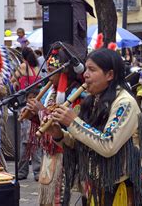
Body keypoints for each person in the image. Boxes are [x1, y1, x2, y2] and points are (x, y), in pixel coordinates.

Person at [47, 48, 142, 205]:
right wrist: (59, 134)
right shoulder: (92, 101)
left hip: (117, 189)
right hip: (95, 186)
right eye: (86, 69)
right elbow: (80, 143)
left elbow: (108, 144)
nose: (85, 74)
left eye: (92, 69)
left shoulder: (125, 103)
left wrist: (73, 122)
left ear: (110, 75)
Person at [25, 43, 84, 205]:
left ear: (64, 72)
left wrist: (41, 109)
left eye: (52, 72)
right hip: (50, 153)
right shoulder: (50, 91)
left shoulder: (77, 94)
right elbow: (45, 124)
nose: (48, 76)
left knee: (62, 196)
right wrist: (34, 115)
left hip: (66, 154)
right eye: (48, 71)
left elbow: (67, 125)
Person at [18, 88, 42, 181]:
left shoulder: (38, 111)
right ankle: (22, 172)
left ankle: (38, 172)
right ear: (26, 99)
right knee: (23, 156)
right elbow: (20, 119)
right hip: (25, 137)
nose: (32, 99)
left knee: (37, 156)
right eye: (30, 98)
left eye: (34, 97)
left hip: (36, 137)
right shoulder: (23, 109)